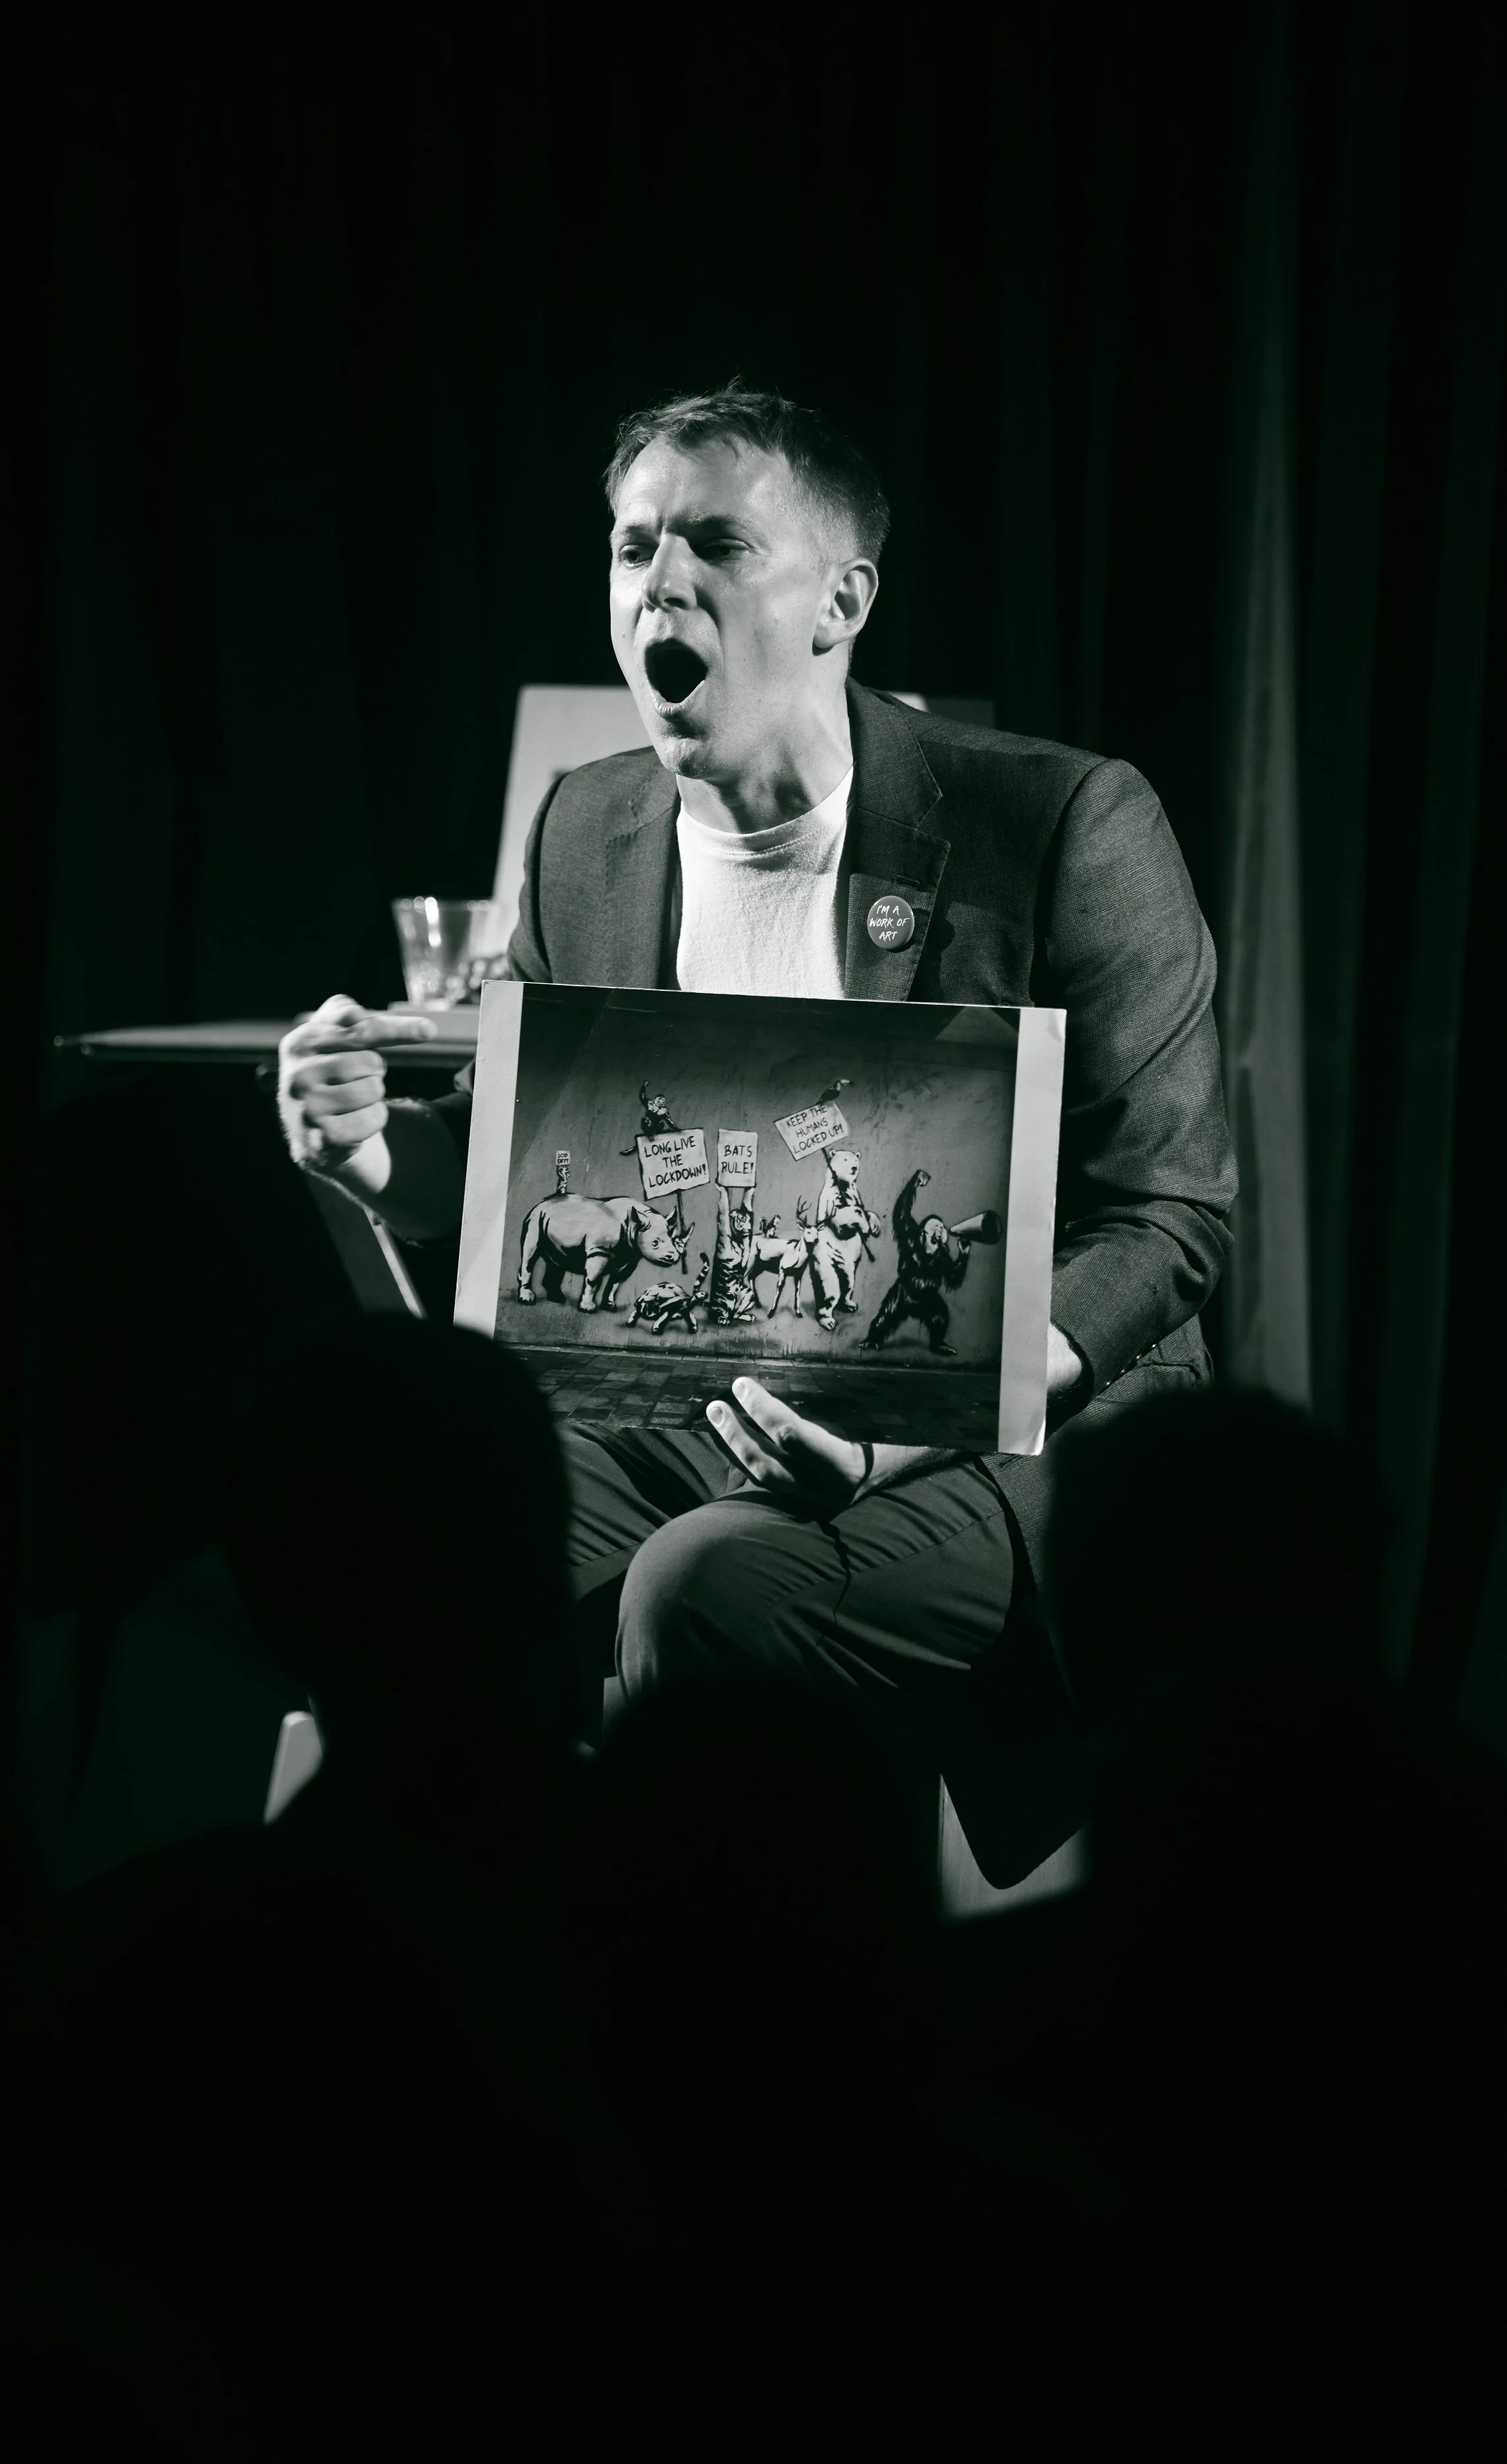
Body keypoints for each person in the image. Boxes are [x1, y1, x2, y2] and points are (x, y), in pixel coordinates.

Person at [277, 384, 1236, 1854]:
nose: (659, 583)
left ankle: (739, 1991)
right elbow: (524, 1174)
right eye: (632, 546)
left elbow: (1167, 1217)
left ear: (843, 600)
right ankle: (459, 1954)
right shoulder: (586, 828)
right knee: (400, 1537)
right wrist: (377, 1157)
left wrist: (893, 1438)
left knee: (702, 1587)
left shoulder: (1062, 822)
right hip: (689, 1405)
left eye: (718, 544)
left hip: (1019, 1436)